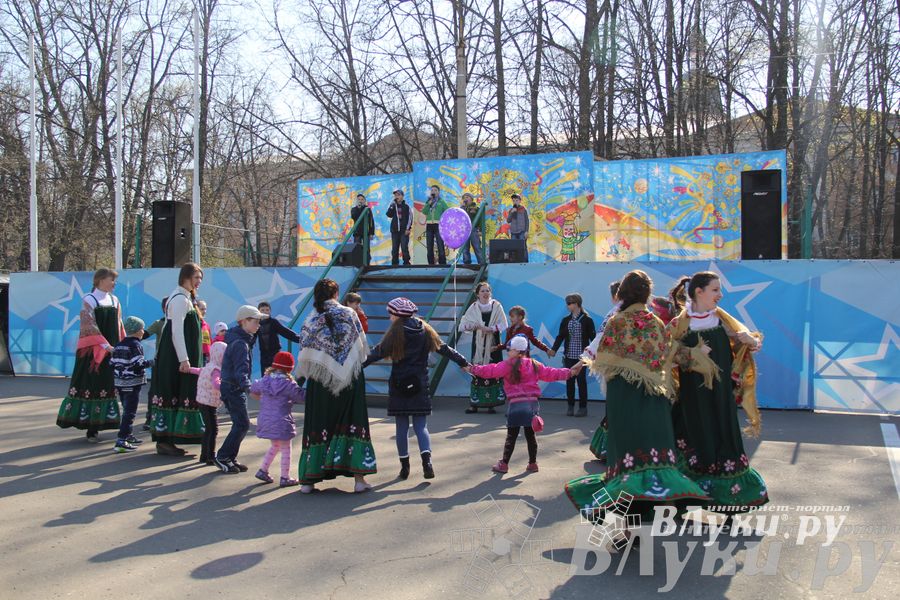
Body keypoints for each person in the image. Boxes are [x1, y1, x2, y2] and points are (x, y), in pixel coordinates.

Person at [564, 270, 710, 530]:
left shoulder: (617, 322)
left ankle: (628, 523)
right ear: (647, 294)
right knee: (653, 456)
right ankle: (655, 509)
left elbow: (602, 357)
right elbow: (672, 353)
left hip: (624, 400)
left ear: (622, 294)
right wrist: (698, 354)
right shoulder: (655, 322)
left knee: (627, 459)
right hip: (654, 399)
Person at [667, 272, 768, 513]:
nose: (720, 295)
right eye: (715, 290)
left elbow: (752, 344)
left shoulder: (722, 319)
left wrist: (748, 340)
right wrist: (692, 354)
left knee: (724, 442)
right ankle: (686, 499)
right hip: (693, 401)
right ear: (698, 292)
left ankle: (730, 503)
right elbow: (665, 355)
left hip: (720, 398)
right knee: (693, 442)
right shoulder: (679, 325)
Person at [363, 297, 469, 480]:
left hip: (399, 385)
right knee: (421, 426)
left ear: (397, 315)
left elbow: (376, 354)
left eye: (390, 314)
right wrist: (463, 362)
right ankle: (427, 462)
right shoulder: (424, 329)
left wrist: (356, 367)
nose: (389, 317)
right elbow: (444, 348)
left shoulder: (395, 333)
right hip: (420, 384)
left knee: (401, 427)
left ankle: (404, 467)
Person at [295, 278, 375, 494]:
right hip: (349, 380)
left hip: (320, 381)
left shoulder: (311, 318)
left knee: (318, 423)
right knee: (353, 420)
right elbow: (360, 345)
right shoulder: (349, 314)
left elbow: (305, 351)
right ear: (336, 294)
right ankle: (359, 481)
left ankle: (308, 481)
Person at [468, 335, 581, 474]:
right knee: (530, 436)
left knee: (511, 436)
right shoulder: (534, 364)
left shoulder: (507, 365)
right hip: (532, 405)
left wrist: (472, 369)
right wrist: (569, 372)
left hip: (516, 405)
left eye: (510, 349)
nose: (508, 352)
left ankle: (504, 464)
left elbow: (490, 371)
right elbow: (551, 373)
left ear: (517, 351)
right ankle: (533, 464)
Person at [56, 267, 124, 442]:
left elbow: (119, 324)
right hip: (93, 352)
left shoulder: (115, 300)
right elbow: (88, 325)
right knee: (91, 385)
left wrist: (121, 344)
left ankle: (105, 423)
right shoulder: (89, 299)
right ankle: (91, 429)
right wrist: (104, 345)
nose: (114, 283)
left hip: (111, 350)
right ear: (100, 280)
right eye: (111, 280)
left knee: (108, 385)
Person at [148, 262, 206, 456]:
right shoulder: (180, 299)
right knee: (172, 391)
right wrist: (184, 359)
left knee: (178, 392)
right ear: (186, 277)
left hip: (179, 355)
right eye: (196, 277)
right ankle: (164, 440)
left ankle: (172, 437)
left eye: (200, 278)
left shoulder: (186, 297)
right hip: (174, 356)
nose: (199, 281)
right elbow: (176, 331)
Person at [214, 305, 262, 474]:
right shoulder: (241, 343)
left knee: (240, 423)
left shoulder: (241, 340)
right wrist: (249, 389)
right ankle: (223, 456)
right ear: (244, 321)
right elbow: (241, 370)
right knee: (242, 423)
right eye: (255, 321)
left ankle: (230, 457)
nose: (258, 325)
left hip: (231, 386)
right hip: (233, 388)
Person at [252, 351, 305, 487]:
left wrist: (261, 396)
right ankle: (285, 477)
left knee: (276, 445)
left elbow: (253, 388)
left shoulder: (265, 380)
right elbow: (301, 397)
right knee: (286, 448)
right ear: (289, 369)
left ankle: (263, 470)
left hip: (265, 420)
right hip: (282, 421)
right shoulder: (288, 384)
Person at [583, 280, 621, 460]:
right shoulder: (645, 314)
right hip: (631, 372)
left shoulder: (614, 314)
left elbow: (600, 339)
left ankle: (615, 451)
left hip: (619, 370)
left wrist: (583, 359)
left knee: (617, 409)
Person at [459, 282, 508, 414]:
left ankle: (491, 404)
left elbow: (504, 324)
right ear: (477, 294)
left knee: (493, 370)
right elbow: (463, 325)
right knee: (477, 370)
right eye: (482, 291)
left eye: (487, 291)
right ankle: (474, 404)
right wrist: (474, 326)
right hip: (479, 345)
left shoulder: (496, 306)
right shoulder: (473, 307)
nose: (485, 293)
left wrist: (491, 329)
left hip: (493, 344)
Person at [110, 316, 152, 453]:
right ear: (137, 330)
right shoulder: (136, 345)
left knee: (126, 409)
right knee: (130, 412)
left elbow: (111, 363)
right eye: (142, 329)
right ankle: (121, 440)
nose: (143, 332)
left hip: (119, 383)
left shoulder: (119, 344)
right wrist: (153, 362)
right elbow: (138, 364)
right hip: (132, 383)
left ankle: (128, 435)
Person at [550, 293, 596, 416]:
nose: (568, 305)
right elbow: (560, 336)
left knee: (581, 381)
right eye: (567, 303)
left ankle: (583, 408)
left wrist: (596, 352)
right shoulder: (566, 320)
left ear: (577, 304)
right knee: (569, 381)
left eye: (570, 303)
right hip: (569, 356)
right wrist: (554, 349)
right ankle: (570, 406)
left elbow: (593, 338)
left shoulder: (587, 320)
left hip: (582, 358)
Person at [193, 341, 225, 466]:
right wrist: (225, 387)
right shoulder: (216, 370)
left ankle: (204, 455)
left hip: (202, 401)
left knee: (208, 429)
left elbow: (198, 371)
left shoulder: (208, 366)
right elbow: (216, 384)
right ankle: (210, 456)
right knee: (213, 430)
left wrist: (188, 369)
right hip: (209, 403)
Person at [140, 298, 168, 430]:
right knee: (154, 391)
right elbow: (144, 335)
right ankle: (150, 418)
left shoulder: (183, 323)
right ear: (164, 308)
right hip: (160, 363)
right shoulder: (159, 323)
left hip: (177, 363)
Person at [255, 301, 301, 373]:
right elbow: (251, 337)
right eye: (262, 310)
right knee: (265, 376)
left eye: (267, 310)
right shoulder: (257, 324)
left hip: (275, 354)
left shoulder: (273, 322)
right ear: (258, 312)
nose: (265, 312)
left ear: (270, 311)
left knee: (276, 374)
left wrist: (300, 339)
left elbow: (286, 332)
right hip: (264, 355)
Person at [422, 184, 449, 265]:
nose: (433, 191)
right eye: (432, 190)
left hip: (438, 225)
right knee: (429, 246)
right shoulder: (428, 201)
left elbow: (447, 212)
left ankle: (442, 264)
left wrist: (444, 223)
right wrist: (429, 203)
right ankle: (430, 264)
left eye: (435, 190)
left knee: (440, 245)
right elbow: (424, 212)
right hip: (429, 226)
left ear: (438, 192)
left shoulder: (441, 201)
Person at [386, 188, 412, 266]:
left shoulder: (406, 207)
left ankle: (406, 263)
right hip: (395, 231)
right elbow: (388, 214)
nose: (396, 196)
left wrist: (408, 228)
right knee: (395, 248)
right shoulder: (393, 206)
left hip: (404, 231)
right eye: (395, 195)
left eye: (398, 195)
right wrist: (391, 206)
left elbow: (410, 218)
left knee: (404, 247)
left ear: (402, 196)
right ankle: (394, 264)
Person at [350, 193, 376, 264]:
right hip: (357, 232)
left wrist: (371, 233)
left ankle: (367, 264)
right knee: (356, 248)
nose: (360, 201)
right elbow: (354, 216)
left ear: (364, 201)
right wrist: (358, 208)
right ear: (356, 201)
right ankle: (357, 264)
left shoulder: (367, 209)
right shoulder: (354, 209)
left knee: (366, 249)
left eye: (362, 199)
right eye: (359, 199)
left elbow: (371, 221)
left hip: (366, 232)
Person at [460, 193, 484, 265]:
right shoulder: (462, 209)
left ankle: (481, 263)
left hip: (473, 230)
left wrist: (480, 230)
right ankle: (467, 263)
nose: (465, 199)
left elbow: (480, 219)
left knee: (477, 247)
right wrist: (462, 208)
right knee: (465, 248)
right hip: (464, 230)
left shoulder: (476, 208)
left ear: (471, 199)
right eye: (464, 197)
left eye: (467, 197)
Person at [196, 300, 212, 364]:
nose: (204, 311)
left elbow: (209, 341)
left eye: (205, 309)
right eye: (202, 309)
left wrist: (210, 354)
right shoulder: (194, 324)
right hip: (198, 355)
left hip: (206, 357)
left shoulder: (206, 325)